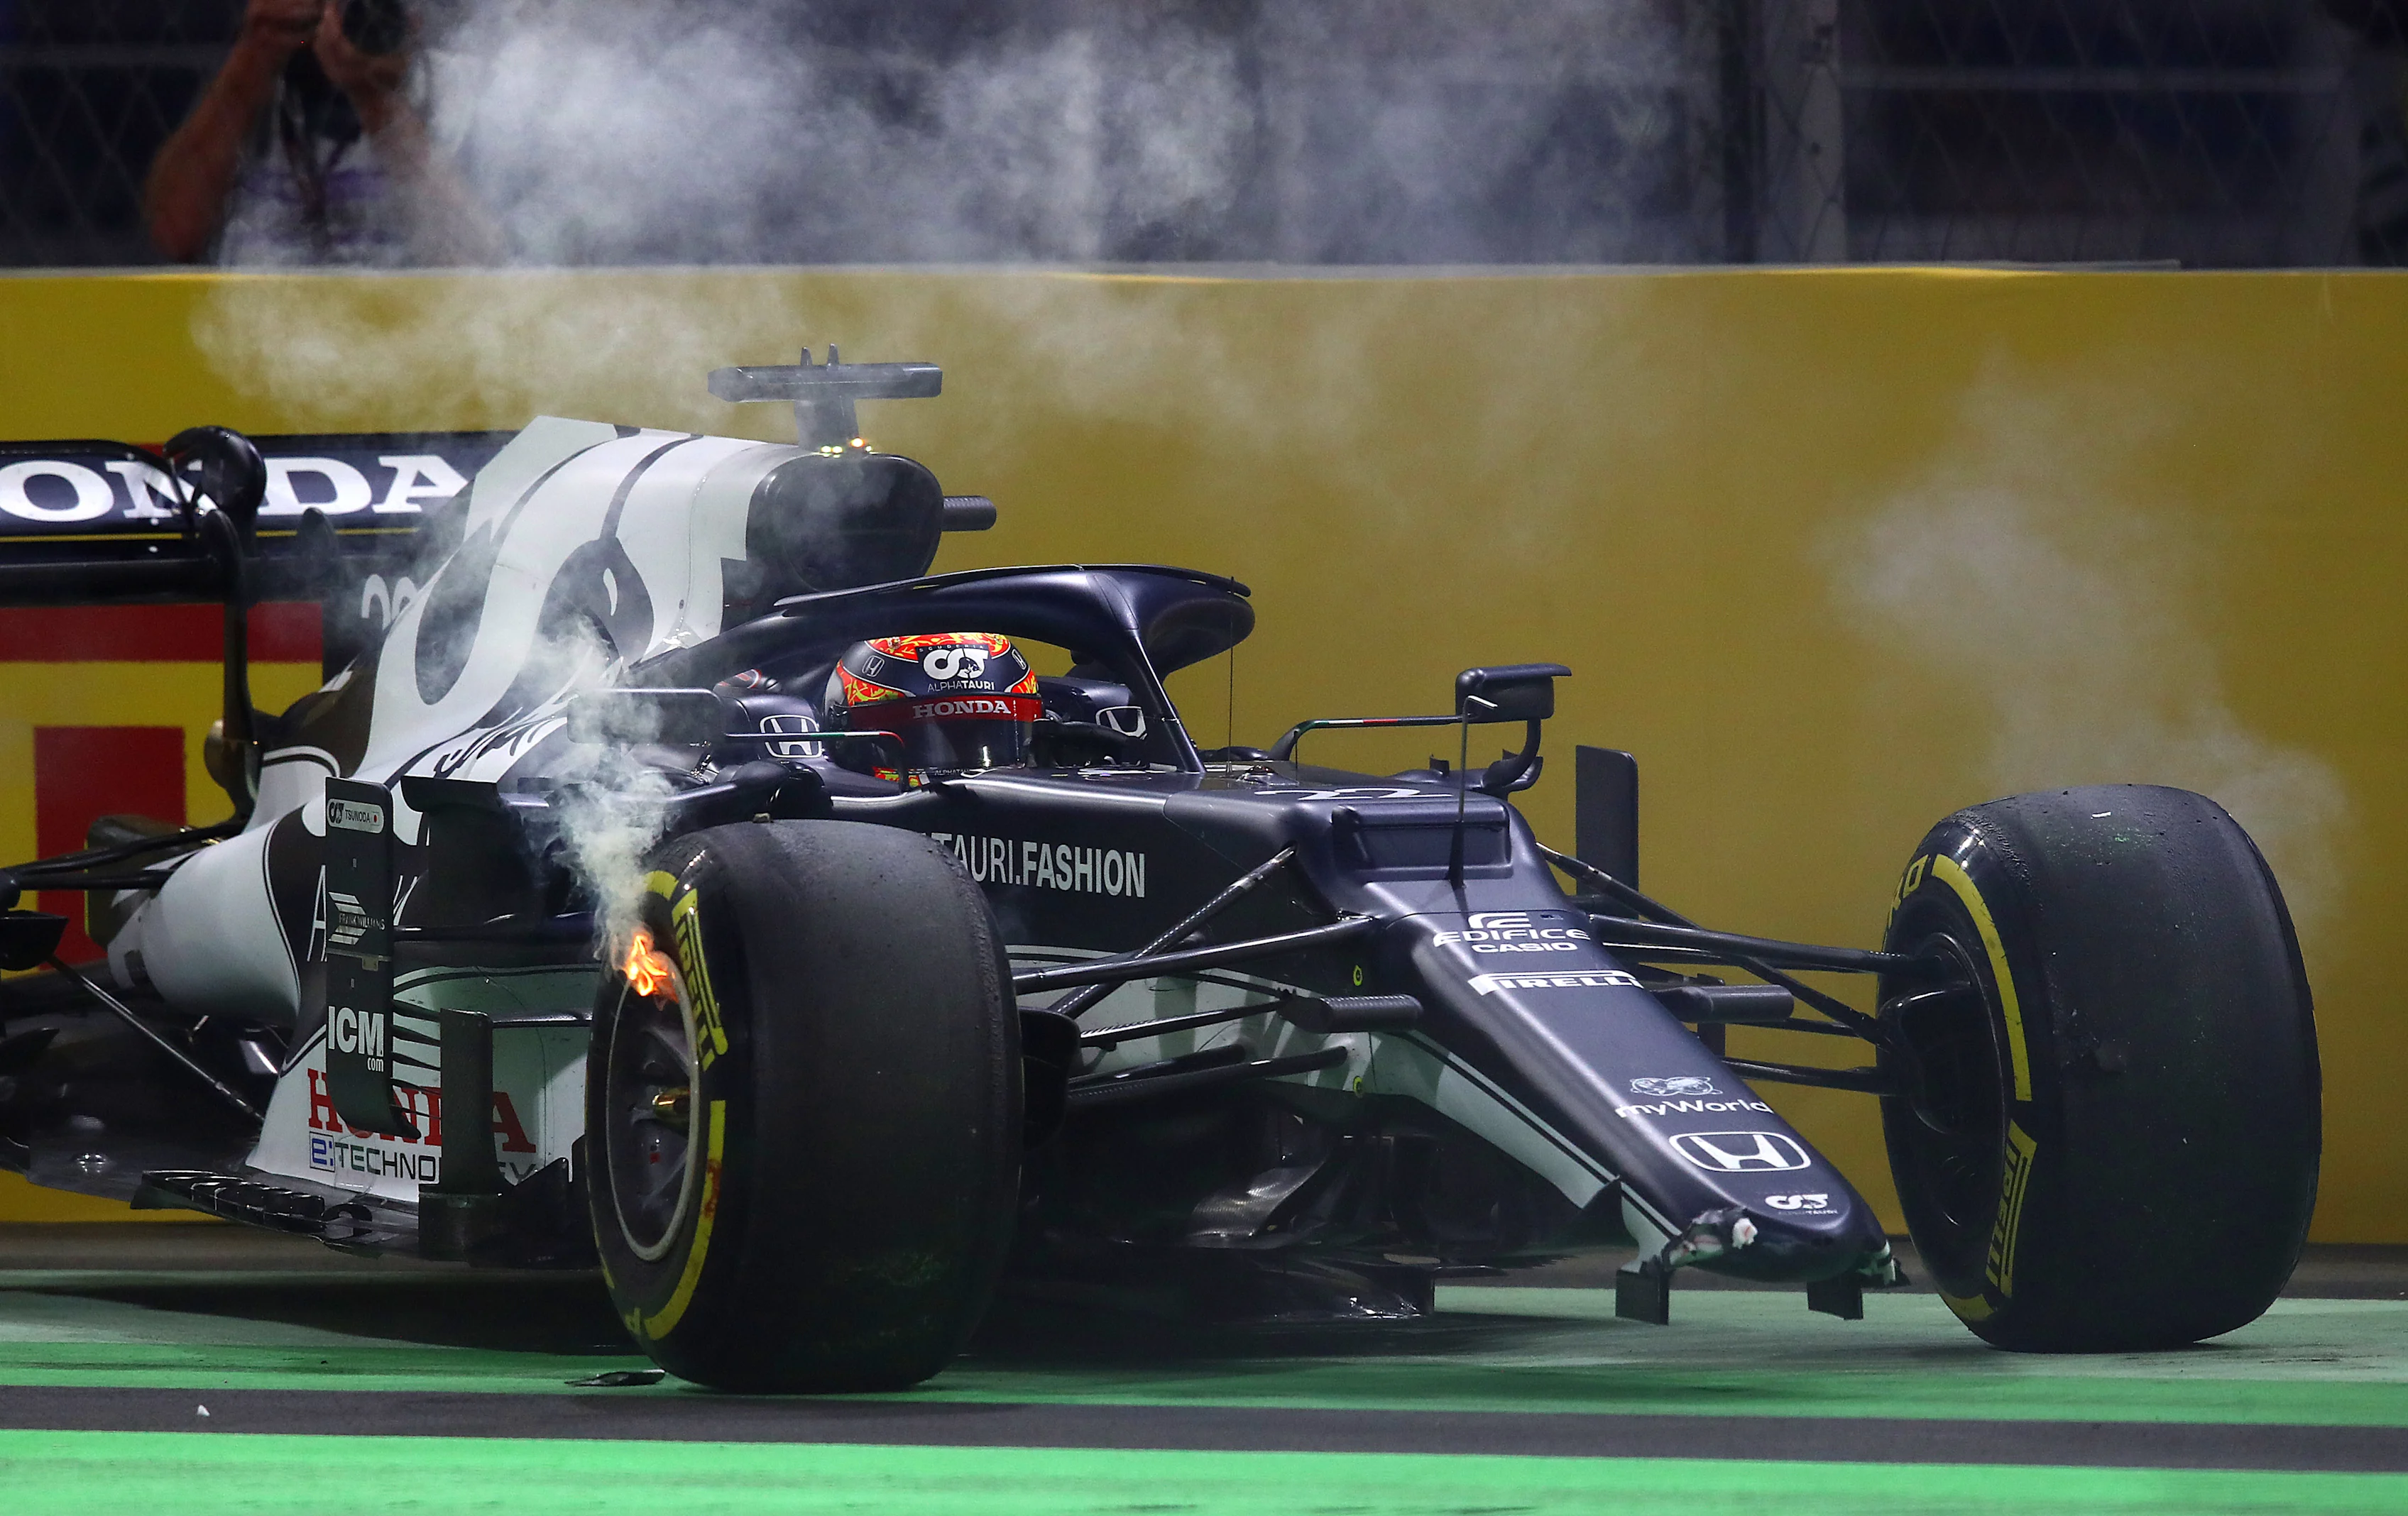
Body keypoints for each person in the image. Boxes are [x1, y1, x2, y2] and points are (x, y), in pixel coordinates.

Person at [145, 0, 498, 265]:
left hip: (415, 344)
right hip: (252, 337)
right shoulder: (252, 83)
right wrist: (256, 55)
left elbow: (479, 269)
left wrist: (380, 102)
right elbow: (176, 233)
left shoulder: (465, 91)